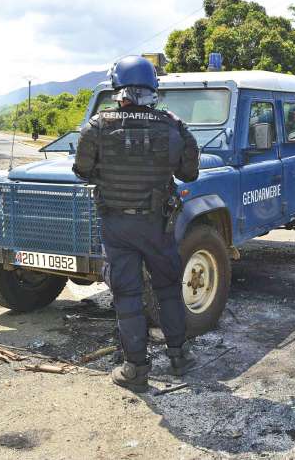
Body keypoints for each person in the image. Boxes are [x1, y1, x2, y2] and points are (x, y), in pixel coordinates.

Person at [73, 55, 200, 392]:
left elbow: (82, 171)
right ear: (152, 89)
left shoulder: (97, 126)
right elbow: (189, 173)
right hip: (159, 225)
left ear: (118, 89)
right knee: (169, 289)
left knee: (127, 294)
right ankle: (180, 357)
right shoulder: (173, 125)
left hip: (117, 225)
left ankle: (136, 370)